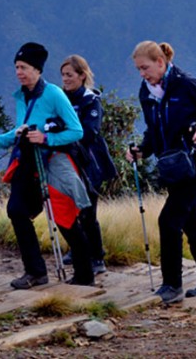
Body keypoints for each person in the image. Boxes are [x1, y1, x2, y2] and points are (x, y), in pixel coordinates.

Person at [0, 42, 94, 288]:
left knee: (65, 219)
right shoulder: (22, 96)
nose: (18, 72)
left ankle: (85, 274)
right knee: (17, 211)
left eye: (23, 67)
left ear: (37, 69)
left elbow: (76, 131)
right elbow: (20, 130)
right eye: (16, 67)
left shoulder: (53, 93)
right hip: (28, 161)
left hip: (52, 161)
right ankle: (35, 273)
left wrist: (46, 138)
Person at [126, 41, 196, 304]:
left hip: (194, 163)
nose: (142, 74)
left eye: (145, 67)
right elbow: (153, 129)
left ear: (161, 62)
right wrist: (142, 150)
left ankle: (172, 285)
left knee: (168, 221)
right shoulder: (146, 92)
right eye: (138, 69)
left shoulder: (187, 84)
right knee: (193, 224)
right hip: (171, 166)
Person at [60, 54, 118, 276]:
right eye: (63, 75)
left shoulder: (90, 100)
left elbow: (90, 132)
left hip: (90, 163)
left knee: (87, 212)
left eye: (70, 75)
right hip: (68, 161)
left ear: (82, 76)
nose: (65, 79)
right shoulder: (61, 98)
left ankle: (97, 257)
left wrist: (63, 134)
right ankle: (77, 250)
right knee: (69, 209)